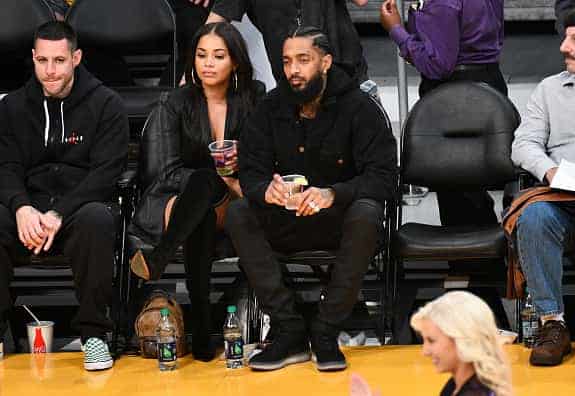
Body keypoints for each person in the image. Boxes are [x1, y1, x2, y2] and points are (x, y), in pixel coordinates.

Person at [225, 27, 397, 372]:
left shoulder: (359, 108)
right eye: (287, 61)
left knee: (366, 212)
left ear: (326, 62)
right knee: (241, 211)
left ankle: (325, 330)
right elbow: (251, 170)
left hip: (339, 221)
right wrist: (265, 191)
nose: (293, 70)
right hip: (286, 218)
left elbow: (384, 177)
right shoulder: (270, 107)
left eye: (303, 60)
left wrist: (334, 194)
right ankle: (289, 329)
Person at [127, 22, 263, 361]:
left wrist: (233, 177)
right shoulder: (176, 102)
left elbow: (265, 159)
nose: (208, 63)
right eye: (202, 55)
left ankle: (161, 261)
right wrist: (216, 176)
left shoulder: (254, 98)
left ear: (235, 62)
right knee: (202, 186)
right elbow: (166, 172)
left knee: (207, 190)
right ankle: (202, 323)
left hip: (235, 198)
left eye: (218, 56)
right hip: (177, 200)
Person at [0, 21, 128, 370]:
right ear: (33, 58)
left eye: (59, 60)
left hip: (78, 209)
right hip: (28, 208)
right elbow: (6, 165)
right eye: (42, 61)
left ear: (76, 57)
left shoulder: (106, 104)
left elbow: (107, 172)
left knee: (97, 218)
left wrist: (59, 213)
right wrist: (21, 207)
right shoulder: (11, 106)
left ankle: (94, 337)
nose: (50, 70)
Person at [511, 4, 575, 367]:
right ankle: (552, 324)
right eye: (565, 37)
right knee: (533, 217)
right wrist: (549, 172)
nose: (564, 46)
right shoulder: (549, 90)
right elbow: (523, 144)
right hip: (560, 191)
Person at [380, 0, 505, 240]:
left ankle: (473, 262)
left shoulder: (442, 3)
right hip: (488, 83)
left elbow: (438, 65)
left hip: (454, 97)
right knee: (469, 185)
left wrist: (397, 31)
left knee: (455, 183)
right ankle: (482, 258)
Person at [350, 291, 512, 396]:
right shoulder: (460, 383)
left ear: (461, 339)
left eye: (432, 341)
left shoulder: (474, 392)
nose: (425, 351)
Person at [206, 0, 371, 86]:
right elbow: (217, 20)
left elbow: (361, 1)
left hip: (346, 72)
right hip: (294, 83)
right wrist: (193, 68)